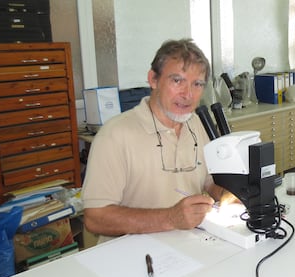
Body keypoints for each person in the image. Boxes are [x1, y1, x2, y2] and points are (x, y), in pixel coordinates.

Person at [82, 38, 231, 243]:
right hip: (133, 258)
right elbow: (95, 218)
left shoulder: (197, 124)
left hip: (190, 246)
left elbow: (210, 182)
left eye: (197, 84)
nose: (187, 94)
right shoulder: (114, 135)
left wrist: (229, 195)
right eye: (177, 81)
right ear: (153, 79)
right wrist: (171, 218)